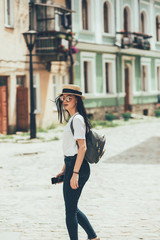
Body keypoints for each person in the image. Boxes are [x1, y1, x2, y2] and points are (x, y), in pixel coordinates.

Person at [55, 84, 100, 240]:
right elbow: (71, 148)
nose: (65, 100)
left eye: (69, 98)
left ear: (77, 100)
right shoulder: (73, 119)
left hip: (78, 168)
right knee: (71, 208)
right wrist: (64, 169)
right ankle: (93, 237)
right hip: (71, 164)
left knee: (70, 211)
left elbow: (82, 148)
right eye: (63, 97)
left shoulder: (78, 119)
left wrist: (74, 173)